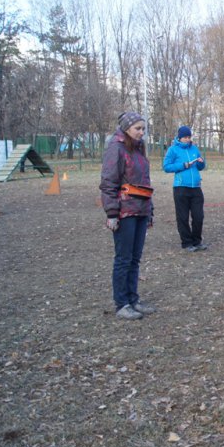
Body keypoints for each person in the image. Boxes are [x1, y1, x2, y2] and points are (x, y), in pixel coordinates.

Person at [100, 112, 156, 320]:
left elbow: (145, 182)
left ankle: (133, 299)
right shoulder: (116, 148)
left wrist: (150, 210)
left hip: (141, 210)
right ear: (126, 129)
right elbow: (108, 182)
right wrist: (112, 213)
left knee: (135, 259)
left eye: (143, 128)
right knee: (123, 259)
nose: (141, 132)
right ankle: (122, 303)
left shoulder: (138, 149)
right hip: (124, 212)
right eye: (137, 129)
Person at [163, 126, 207, 252]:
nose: (187, 139)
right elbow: (166, 167)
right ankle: (187, 243)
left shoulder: (194, 149)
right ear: (179, 137)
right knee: (182, 217)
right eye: (185, 137)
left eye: (189, 137)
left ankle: (197, 241)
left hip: (196, 187)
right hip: (181, 187)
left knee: (198, 216)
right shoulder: (173, 150)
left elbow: (200, 167)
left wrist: (201, 162)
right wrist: (183, 165)